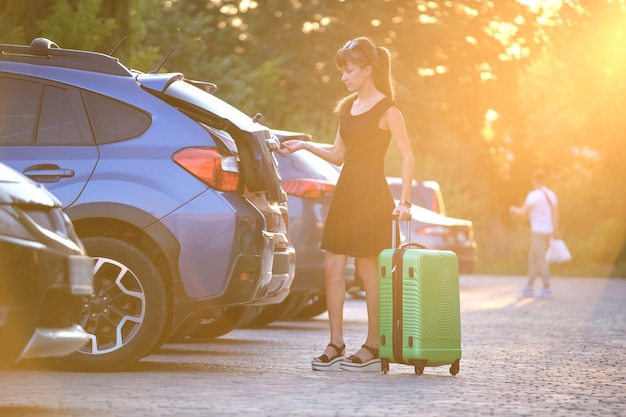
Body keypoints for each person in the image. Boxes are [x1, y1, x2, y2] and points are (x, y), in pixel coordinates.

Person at [278, 37, 414, 371]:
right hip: (346, 193)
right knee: (332, 267)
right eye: (343, 70)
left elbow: (408, 156)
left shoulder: (389, 109)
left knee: (368, 270)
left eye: (349, 70)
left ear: (368, 70)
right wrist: (303, 146)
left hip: (372, 194)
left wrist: (406, 201)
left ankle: (373, 344)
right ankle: (336, 343)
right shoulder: (347, 108)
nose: (344, 77)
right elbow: (338, 155)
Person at [509, 169, 559, 299]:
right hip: (548, 231)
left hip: (538, 231)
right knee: (533, 256)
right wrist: (556, 230)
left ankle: (547, 288)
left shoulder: (534, 195)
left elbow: (522, 212)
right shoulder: (551, 195)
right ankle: (529, 287)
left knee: (541, 258)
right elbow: (555, 214)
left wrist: (514, 210)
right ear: (545, 179)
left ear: (534, 181)